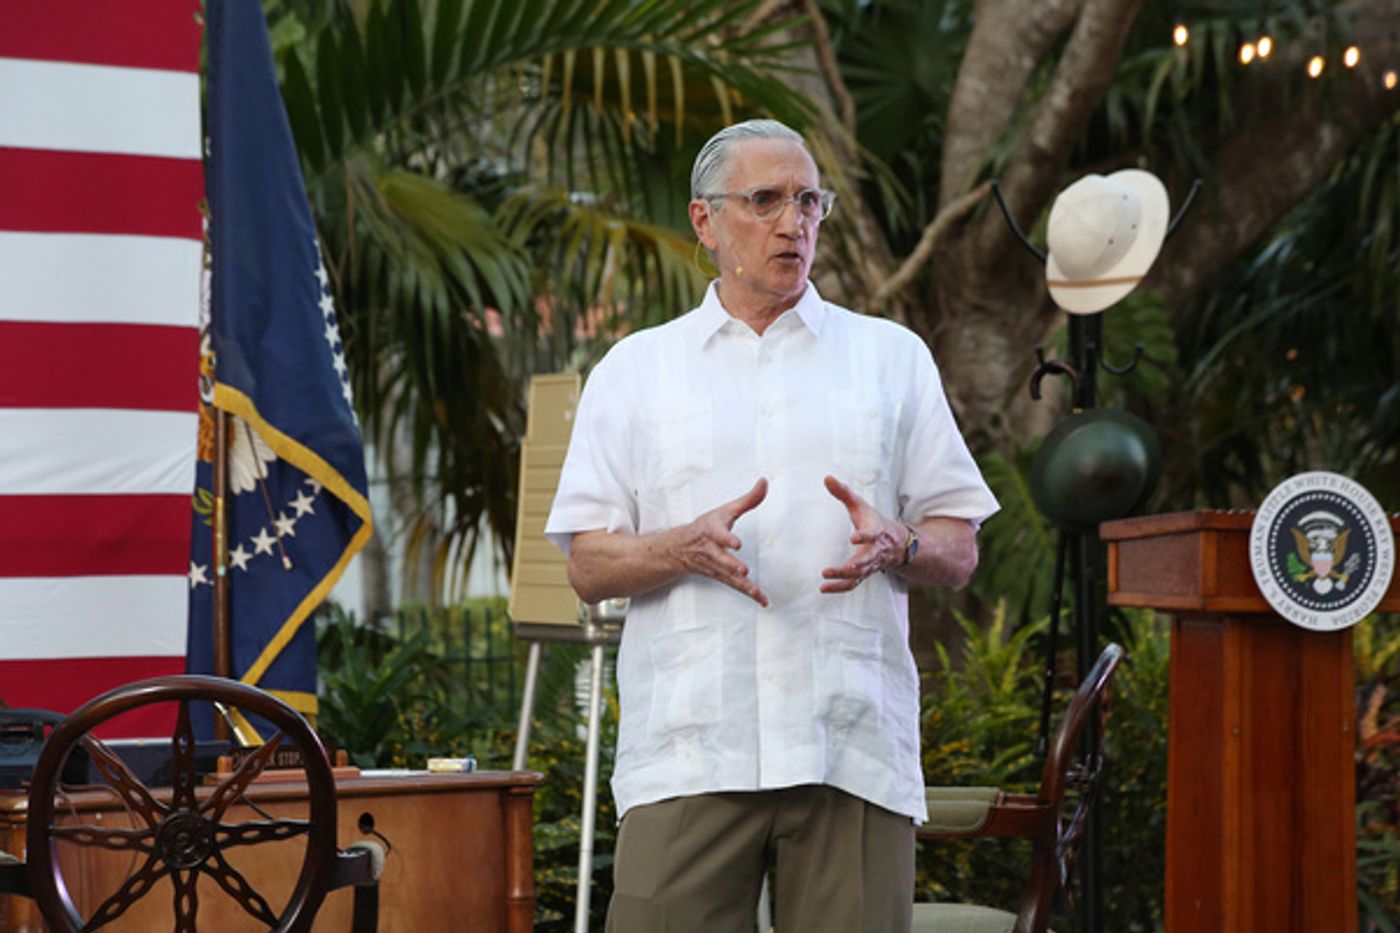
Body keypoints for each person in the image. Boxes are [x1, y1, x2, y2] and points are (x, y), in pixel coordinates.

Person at [545, 118, 999, 933]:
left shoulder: (891, 357)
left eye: (809, 201)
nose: (794, 222)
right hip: (689, 747)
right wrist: (680, 546)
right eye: (765, 200)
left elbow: (959, 547)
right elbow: (587, 564)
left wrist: (901, 542)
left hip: (849, 744)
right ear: (706, 220)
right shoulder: (635, 370)